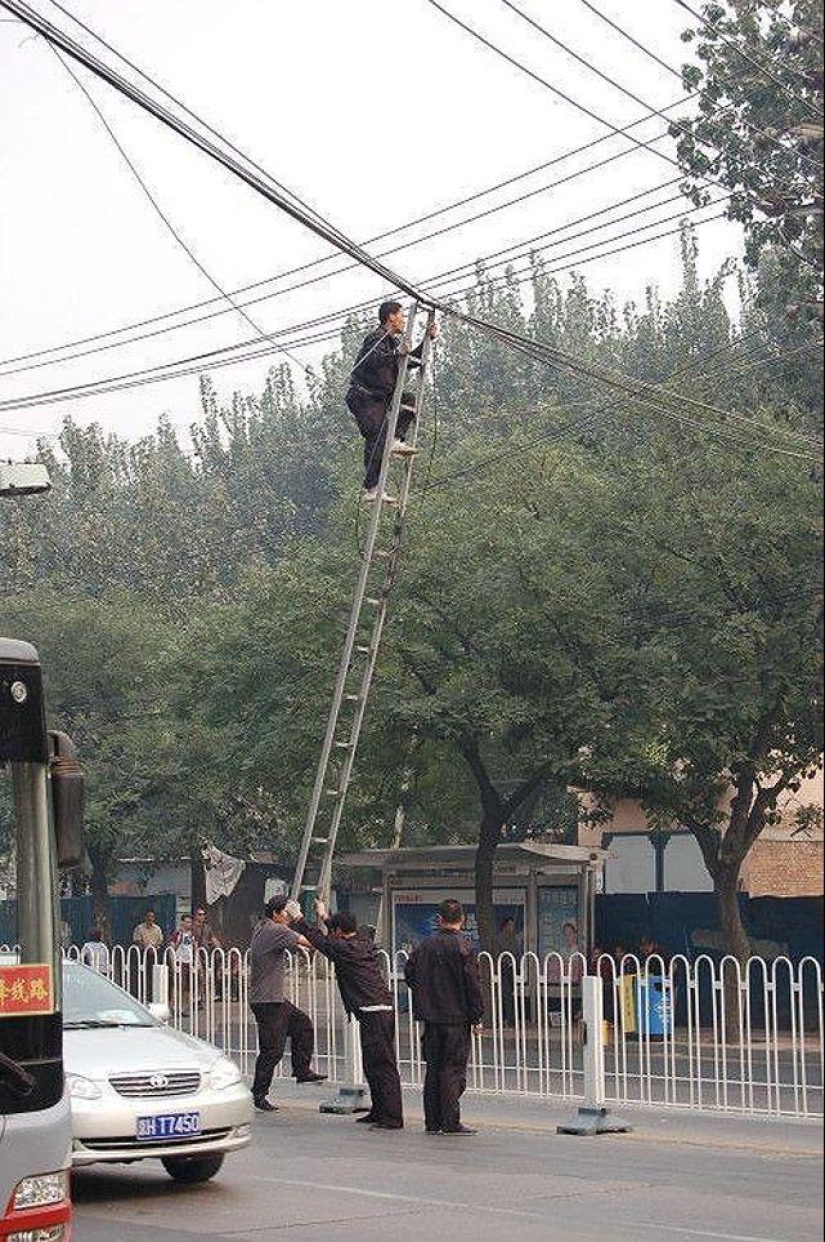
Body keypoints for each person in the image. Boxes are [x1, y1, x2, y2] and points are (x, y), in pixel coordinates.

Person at [288, 899, 404, 1132]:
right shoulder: (362, 940)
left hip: (375, 1010)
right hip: (375, 1009)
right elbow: (334, 934)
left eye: (334, 929)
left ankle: (392, 1117)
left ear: (339, 931)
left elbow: (318, 940)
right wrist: (324, 915)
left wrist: (299, 918)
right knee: (372, 1064)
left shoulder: (343, 949)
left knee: (383, 1065)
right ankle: (379, 1110)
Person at [404, 898, 484, 1136]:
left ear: (439, 919)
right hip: (457, 1019)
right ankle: (450, 1121)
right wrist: (477, 1016)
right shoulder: (464, 947)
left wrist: (425, 993)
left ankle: (432, 1121)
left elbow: (410, 973)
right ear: (462, 919)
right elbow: (473, 985)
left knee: (433, 1069)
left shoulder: (424, 946)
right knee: (452, 1070)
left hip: (431, 1018)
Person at [346, 300, 437, 503]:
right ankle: (371, 488)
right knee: (377, 436)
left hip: (381, 397)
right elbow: (373, 359)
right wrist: (397, 353)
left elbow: (408, 361)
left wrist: (427, 340)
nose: (403, 321)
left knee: (409, 401)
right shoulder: (376, 338)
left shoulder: (392, 343)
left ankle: (396, 439)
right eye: (401, 316)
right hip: (364, 397)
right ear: (391, 317)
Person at [249, 896, 327, 1113]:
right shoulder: (276, 930)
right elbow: (310, 942)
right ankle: (258, 1094)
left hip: (271, 999)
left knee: (303, 1025)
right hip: (268, 1001)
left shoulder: (262, 927)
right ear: (276, 914)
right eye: (285, 912)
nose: (288, 916)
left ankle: (302, 1070)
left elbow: (292, 944)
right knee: (272, 1051)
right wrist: (301, 918)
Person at [169, 913, 196, 1009]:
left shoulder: (192, 934)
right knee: (178, 985)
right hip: (179, 961)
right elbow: (171, 949)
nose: (189, 924)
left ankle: (184, 1007)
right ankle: (174, 1006)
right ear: (182, 923)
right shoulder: (177, 934)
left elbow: (195, 948)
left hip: (189, 961)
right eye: (187, 922)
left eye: (190, 922)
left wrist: (196, 962)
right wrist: (173, 964)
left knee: (188, 987)